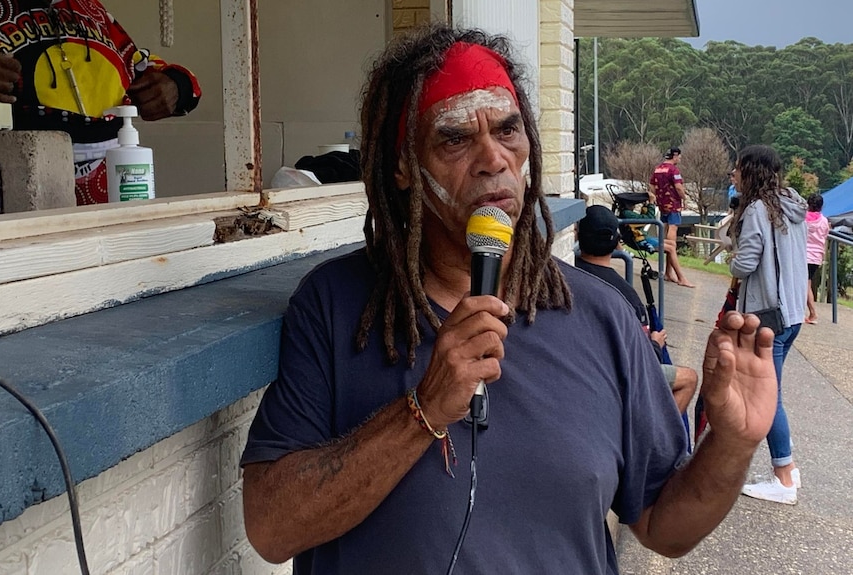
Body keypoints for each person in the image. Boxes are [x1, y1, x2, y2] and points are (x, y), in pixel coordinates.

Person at [240, 24, 778, 574]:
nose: (492, 159)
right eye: (454, 138)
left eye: (507, 130)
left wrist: (732, 444)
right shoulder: (335, 306)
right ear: (403, 166)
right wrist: (422, 411)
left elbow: (665, 527)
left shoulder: (602, 316)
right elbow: (271, 528)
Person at [0, 0, 201, 209]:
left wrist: (176, 85)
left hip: (109, 193)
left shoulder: (88, 8)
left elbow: (136, 64)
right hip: (13, 196)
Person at [729, 145, 807, 505]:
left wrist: (731, 257)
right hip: (792, 315)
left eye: (738, 168)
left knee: (767, 396)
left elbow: (745, 263)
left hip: (767, 318)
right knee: (774, 390)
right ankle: (787, 466)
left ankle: (783, 476)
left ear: (751, 172)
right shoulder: (792, 204)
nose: (733, 173)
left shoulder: (759, 210)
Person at [576, 205, 698, 414]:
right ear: (616, 242)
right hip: (616, 379)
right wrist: (656, 345)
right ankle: (660, 437)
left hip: (579, 373)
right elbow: (640, 360)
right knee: (689, 378)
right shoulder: (625, 296)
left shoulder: (565, 274)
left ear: (578, 236)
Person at [649, 147, 695, 287]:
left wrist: (657, 197)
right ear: (675, 156)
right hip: (673, 204)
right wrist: (684, 198)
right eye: (679, 156)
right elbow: (679, 187)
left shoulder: (657, 169)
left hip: (662, 205)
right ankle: (672, 257)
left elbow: (651, 185)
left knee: (665, 229)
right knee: (672, 232)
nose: (680, 159)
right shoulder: (673, 170)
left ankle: (668, 271)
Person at [804, 193, 829, 324]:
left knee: (804, 285)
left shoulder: (803, 219)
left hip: (804, 255)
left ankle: (813, 313)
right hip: (816, 256)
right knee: (806, 283)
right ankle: (810, 313)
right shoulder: (824, 221)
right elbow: (824, 237)